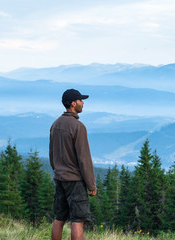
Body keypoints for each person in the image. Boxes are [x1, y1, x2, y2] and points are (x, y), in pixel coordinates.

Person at [49, 89, 97, 240]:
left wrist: (57, 171)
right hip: (75, 181)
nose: (83, 103)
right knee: (77, 221)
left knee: (59, 218)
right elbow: (84, 159)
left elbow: (52, 154)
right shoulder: (78, 127)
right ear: (73, 103)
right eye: (80, 100)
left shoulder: (55, 124)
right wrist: (91, 185)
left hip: (60, 178)